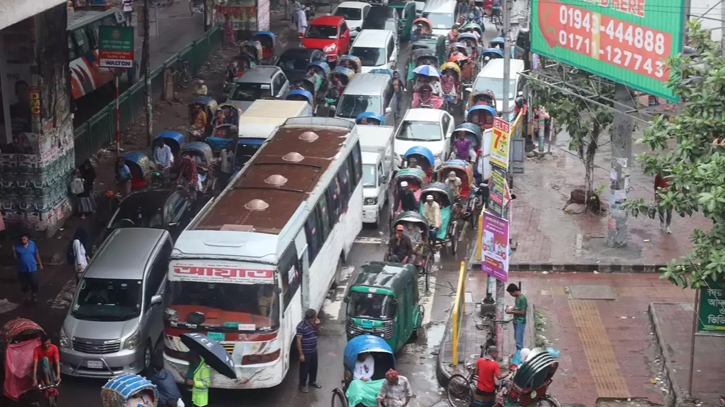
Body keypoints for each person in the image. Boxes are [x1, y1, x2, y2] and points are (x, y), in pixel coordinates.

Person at [297, 309, 321, 392]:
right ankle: (302, 385)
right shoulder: (301, 326)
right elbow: (299, 341)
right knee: (304, 369)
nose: (316, 319)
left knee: (314, 367)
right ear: (310, 318)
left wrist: (317, 326)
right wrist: (301, 354)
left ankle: (312, 381)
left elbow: (318, 333)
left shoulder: (313, 324)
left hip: (314, 350)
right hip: (306, 352)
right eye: (315, 317)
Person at [14, 234, 42, 303]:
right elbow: (15, 257)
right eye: (21, 240)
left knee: (34, 282)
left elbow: (36, 253)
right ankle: (26, 295)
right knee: (24, 284)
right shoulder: (17, 246)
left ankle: (34, 294)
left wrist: (40, 264)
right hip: (22, 269)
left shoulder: (32, 244)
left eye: (24, 239)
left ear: (27, 239)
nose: (23, 241)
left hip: (32, 267)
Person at [505, 283, 527, 351]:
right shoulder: (517, 297)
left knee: (518, 341)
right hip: (516, 320)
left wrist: (511, 312)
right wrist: (512, 308)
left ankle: (520, 355)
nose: (511, 295)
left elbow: (522, 312)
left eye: (510, 293)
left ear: (514, 291)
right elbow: (517, 305)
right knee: (516, 338)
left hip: (520, 321)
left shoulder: (522, 299)